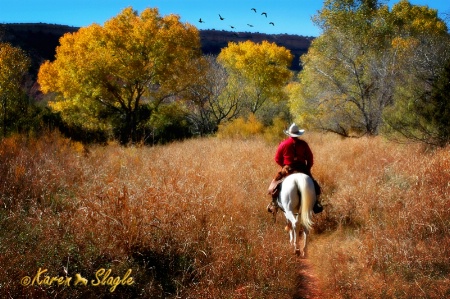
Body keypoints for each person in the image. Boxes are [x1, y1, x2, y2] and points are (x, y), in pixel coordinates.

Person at [267, 123, 323, 213]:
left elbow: (277, 159)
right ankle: (316, 204)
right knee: (316, 186)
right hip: (302, 169)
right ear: (298, 134)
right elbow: (310, 159)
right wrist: (307, 168)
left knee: (273, 186)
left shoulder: (283, 144)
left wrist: (283, 166)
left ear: (289, 133)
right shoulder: (304, 144)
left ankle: (274, 204)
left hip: (287, 169)